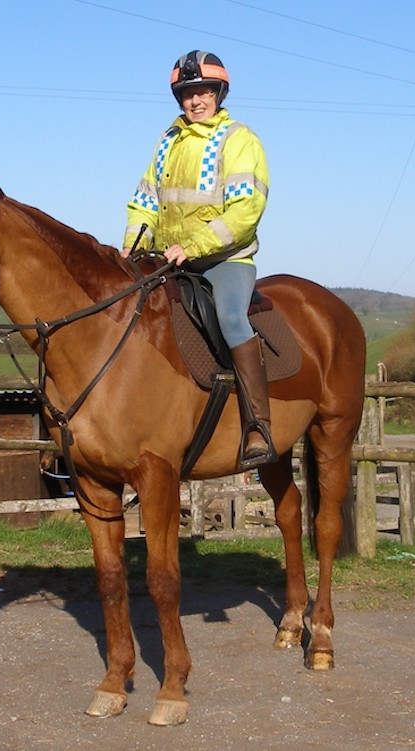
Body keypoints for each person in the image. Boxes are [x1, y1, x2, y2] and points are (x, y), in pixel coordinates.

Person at [121, 50, 275, 469]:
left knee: (230, 318)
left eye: (204, 91)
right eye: (187, 93)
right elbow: (145, 200)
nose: (196, 100)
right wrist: (134, 242)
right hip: (171, 259)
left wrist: (193, 246)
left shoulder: (239, 140)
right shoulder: (167, 141)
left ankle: (258, 426)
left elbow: (245, 212)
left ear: (219, 92)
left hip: (225, 259)